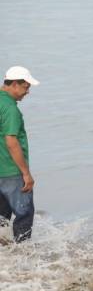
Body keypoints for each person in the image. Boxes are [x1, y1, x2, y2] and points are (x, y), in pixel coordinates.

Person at [0, 66, 39, 243]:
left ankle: (5, 255)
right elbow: (11, 141)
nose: (27, 92)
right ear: (15, 84)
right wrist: (25, 173)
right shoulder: (10, 109)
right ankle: (23, 255)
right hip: (11, 170)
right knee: (24, 213)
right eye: (25, 87)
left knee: (2, 217)